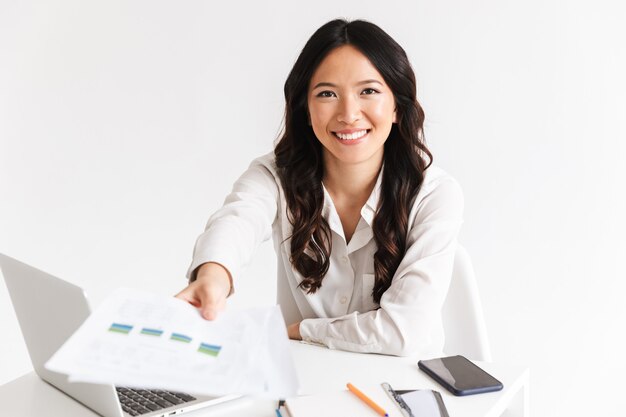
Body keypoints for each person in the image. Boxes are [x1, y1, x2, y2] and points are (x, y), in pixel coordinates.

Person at [175, 18, 463, 357]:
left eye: (368, 91)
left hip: (402, 389)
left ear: (398, 106)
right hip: (303, 387)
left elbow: (404, 332)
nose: (349, 113)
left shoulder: (434, 194)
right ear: (305, 110)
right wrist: (213, 275)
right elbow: (238, 218)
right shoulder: (276, 176)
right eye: (327, 94)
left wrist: (301, 331)